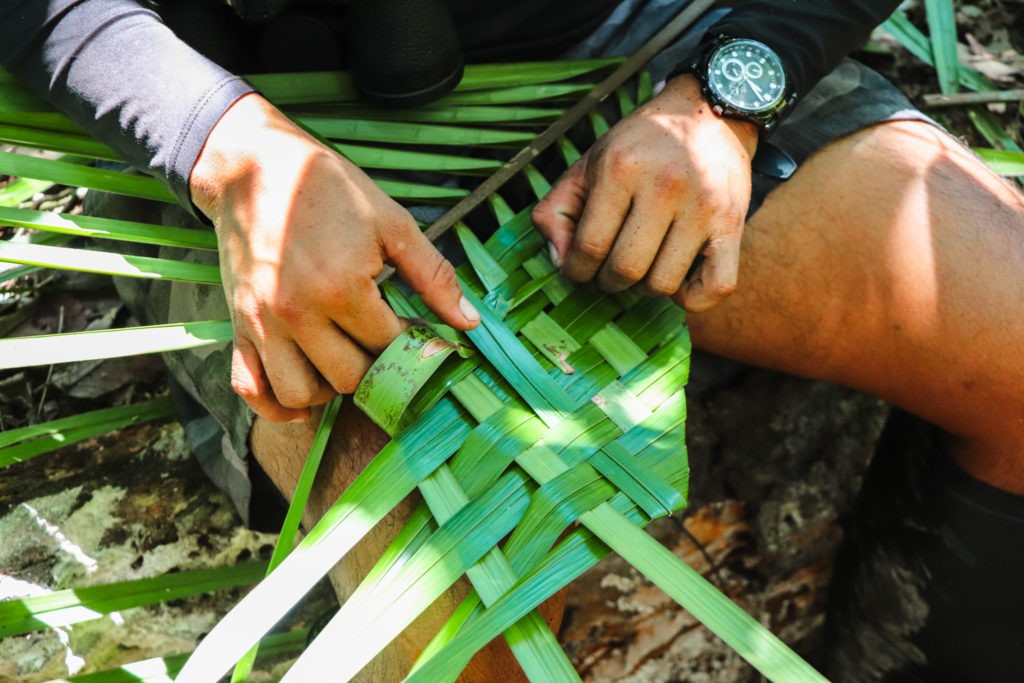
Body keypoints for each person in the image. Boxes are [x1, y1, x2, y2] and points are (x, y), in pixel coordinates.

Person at [2, 1, 1022, 680]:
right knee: (454, 616)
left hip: (638, 44)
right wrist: (221, 147)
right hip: (240, 98)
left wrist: (730, 91)